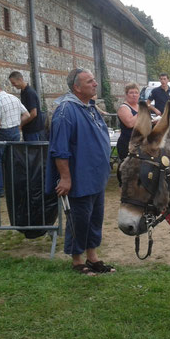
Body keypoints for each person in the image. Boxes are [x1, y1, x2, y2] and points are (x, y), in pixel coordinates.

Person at [46, 68, 115, 275]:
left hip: (96, 177)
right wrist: (65, 178)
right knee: (80, 219)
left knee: (95, 218)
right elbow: (60, 148)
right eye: (90, 82)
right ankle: (77, 260)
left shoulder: (90, 108)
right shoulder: (66, 110)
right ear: (77, 87)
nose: (95, 84)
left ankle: (92, 257)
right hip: (79, 177)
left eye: (94, 80)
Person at [0, 79, 30, 195]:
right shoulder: (14, 98)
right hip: (15, 131)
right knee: (13, 160)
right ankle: (16, 187)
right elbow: (27, 114)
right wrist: (18, 124)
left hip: (3, 132)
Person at [8, 71, 44, 141]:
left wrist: (21, 124)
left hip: (33, 130)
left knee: (33, 151)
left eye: (13, 83)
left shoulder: (29, 92)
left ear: (20, 80)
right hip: (28, 129)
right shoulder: (23, 91)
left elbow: (33, 113)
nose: (13, 85)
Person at [116, 83, 139, 161]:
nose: (134, 95)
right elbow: (130, 123)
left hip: (139, 144)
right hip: (127, 144)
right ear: (126, 95)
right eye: (131, 93)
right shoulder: (124, 108)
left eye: (136, 93)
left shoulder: (139, 107)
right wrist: (142, 112)